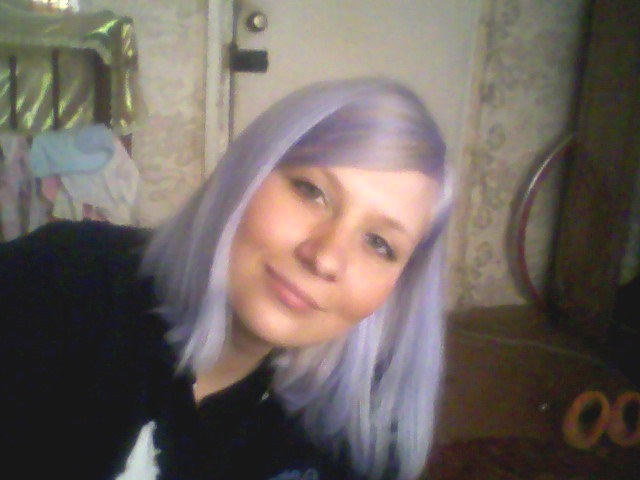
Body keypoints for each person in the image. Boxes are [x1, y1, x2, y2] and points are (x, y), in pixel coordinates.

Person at [0, 78, 453, 480]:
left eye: (379, 244)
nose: (325, 258)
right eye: (311, 191)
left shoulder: (362, 433)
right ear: (245, 172)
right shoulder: (57, 281)